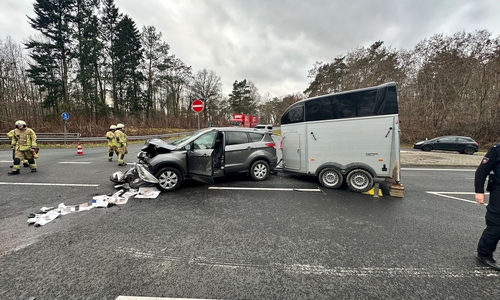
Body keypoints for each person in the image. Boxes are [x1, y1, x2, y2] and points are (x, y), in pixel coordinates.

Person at [474, 144, 500, 271]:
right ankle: (484, 254)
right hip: (498, 191)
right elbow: (482, 171)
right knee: (496, 225)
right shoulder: (497, 150)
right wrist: (479, 191)